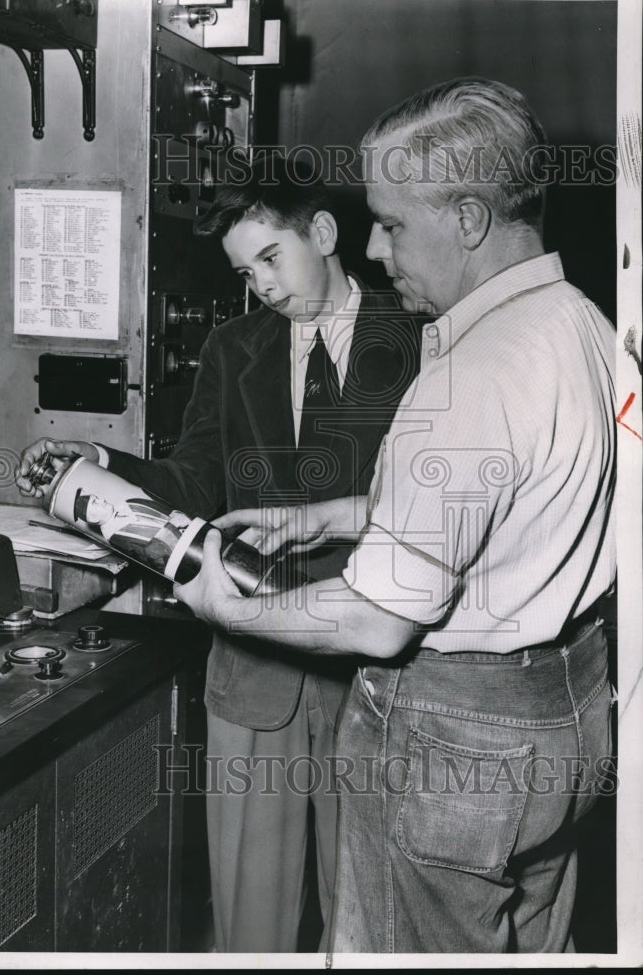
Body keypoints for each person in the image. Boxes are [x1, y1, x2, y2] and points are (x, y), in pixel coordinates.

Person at [174, 79, 617, 953]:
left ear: (466, 217)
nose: (377, 246)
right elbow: (504, 491)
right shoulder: (584, 327)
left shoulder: (461, 371)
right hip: (562, 715)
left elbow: (379, 620)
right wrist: (336, 516)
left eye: (392, 222)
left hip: (455, 739)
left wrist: (234, 609)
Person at [15, 155, 422, 952]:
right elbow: (196, 478)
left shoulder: (419, 337)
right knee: (248, 916)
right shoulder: (234, 348)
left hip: (374, 664)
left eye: (271, 259)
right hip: (251, 660)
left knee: (368, 915)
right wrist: (101, 471)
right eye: (245, 272)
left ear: (325, 233)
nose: (262, 286)